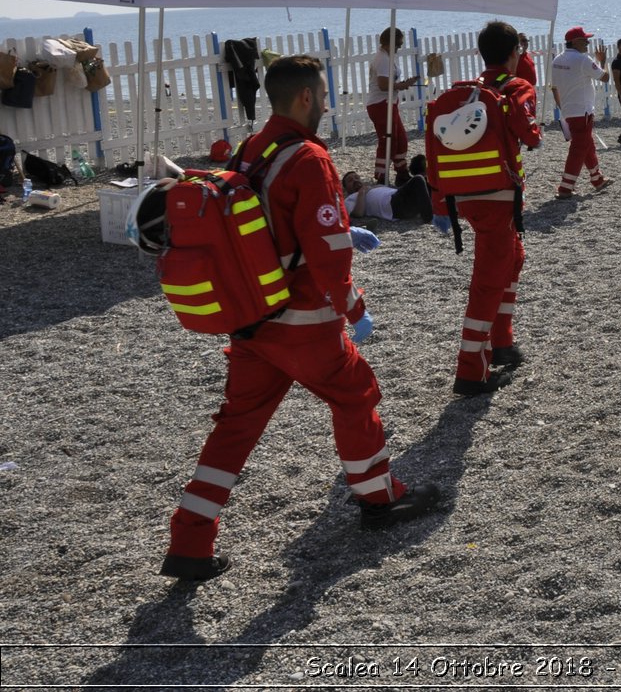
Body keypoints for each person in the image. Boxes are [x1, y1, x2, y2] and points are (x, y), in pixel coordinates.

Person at [161, 55, 441, 582]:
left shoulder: (252, 147)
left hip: (253, 317)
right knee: (355, 392)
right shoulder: (309, 158)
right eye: (324, 93)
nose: (328, 102)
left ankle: (189, 539)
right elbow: (328, 250)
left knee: (236, 426)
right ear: (306, 97)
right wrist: (354, 307)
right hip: (302, 318)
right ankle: (379, 499)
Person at [431, 20, 544, 396]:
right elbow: (532, 137)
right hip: (499, 197)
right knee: (487, 280)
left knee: (513, 257)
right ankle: (470, 371)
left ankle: (502, 341)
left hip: (465, 197)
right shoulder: (515, 88)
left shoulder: (467, 94)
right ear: (514, 54)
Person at [548, 27, 611, 197]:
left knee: (586, 145)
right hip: (582, 111)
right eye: (584, 40)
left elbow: (554, 88)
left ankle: (597, 178)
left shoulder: (557, 60)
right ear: (575, 42)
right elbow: (605, 77)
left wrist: (562, 107)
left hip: (568, 110)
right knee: (579, 148)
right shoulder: (583, 60)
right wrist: (602, 61)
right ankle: (565, 187)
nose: (588, 43)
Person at [367, 28, 420, 185]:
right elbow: (383, 85)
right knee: (388, 140)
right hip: (380, 104)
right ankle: (381, 176)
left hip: (388, 103)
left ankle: (401, 172)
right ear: (390, 43)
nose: (399, 48)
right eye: (398, 44)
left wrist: (402, 84)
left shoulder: (387, 57)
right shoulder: (383, 59)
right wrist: (402, 85)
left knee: (400, 140)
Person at [342, 156, 431, 222]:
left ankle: (439, 209)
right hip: (394, 204)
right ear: (345, 189)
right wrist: (361, 193)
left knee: (428, 181)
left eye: (356, 177)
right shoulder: (351, 198)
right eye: (350, 180)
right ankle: (428, 217)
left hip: (400, 197)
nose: (355, 180)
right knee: (418, 179)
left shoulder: (370, 188)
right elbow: (358, 214)